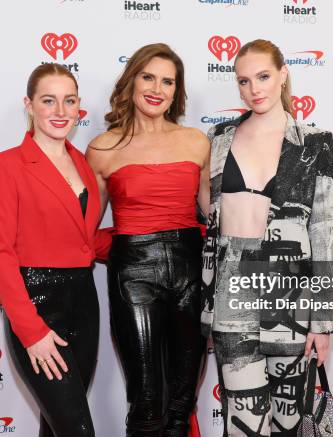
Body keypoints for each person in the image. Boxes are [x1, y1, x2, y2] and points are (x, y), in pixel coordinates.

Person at [200, 39, 333, 437]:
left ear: (282, 75)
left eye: (263, 76)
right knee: (243, 423)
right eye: (243, 81)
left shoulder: (315, 142)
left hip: (291, 299)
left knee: (290, 423)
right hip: (231, 294)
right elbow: (207, 215)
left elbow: (326, 231)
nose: (254, 89)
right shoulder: (219, 138)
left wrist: (324, 322)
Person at [86, 43, 210, 437]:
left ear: (177, 91)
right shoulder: (103, 148)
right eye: (149, 77)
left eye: (168, 81)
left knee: (181, 402)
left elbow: (215, 215)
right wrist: (125, 249)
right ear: (132, 81)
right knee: (145, 402)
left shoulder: (196, 141)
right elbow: (84, 229)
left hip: (192, 270)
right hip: (133, 275)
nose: (157, 88)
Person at [0, 63, 110, 437]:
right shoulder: (6, 166)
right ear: (29, 104)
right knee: (77, 428)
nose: (59, 111)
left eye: (68, 101)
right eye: (48, 100)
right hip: (37, 303)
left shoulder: (82, 164)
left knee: (56, 427)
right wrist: (31, 330)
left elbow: (83, 241)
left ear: (78, 106)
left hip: (84, 305)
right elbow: (0, 253)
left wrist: (155, 235)